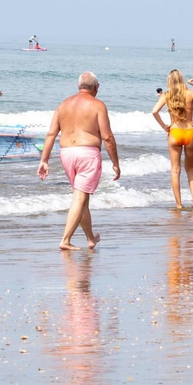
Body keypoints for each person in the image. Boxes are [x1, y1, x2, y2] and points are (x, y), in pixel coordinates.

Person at [39, 71, 120, 250]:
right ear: (96, 88)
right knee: (79, 197)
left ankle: (91, 238)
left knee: (81, 198)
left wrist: (44, 160)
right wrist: (115, 163)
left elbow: (51, 133)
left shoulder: (63, 105)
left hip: (66, 154)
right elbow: (107, 137)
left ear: (78, 86)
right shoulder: (98, 105)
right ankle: (65, 240)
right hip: (87, 154)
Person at [151, 69, 193, 209]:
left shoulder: (167, 95)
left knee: (175, 170)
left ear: (169, 81)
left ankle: (179, 204)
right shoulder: (191, 93)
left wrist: (164, 126)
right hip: (190, 132)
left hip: (174, 132)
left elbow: (154, 111)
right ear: (182, 80)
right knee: (190, 168)